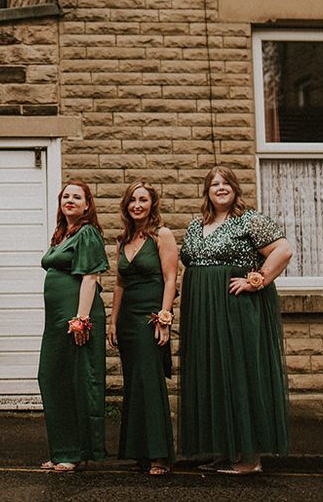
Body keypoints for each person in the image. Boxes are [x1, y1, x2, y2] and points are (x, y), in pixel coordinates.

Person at [178, 165, 293, 475]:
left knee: (240, 375)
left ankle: (249, 458)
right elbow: (189, 265)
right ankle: (224, 450)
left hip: (235, 310)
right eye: (214, 183)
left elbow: (283, 250)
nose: (220, 187)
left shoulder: (250, 220)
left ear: (234, 188)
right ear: (207, 191)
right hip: (203, 314)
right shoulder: (195, 224)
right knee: (213, 376)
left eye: (225, 182)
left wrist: (257, 279)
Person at [107, 181, 177, 476]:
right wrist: (113, 320)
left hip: (151, 317)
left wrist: (164, 317)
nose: (137, 205)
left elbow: (171, 278)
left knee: (150, 382)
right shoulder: (124, 240)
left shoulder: (162, 235)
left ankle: (160, 455)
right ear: (126, 205)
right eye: (133, 200)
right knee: (134, 383)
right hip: (127, 321)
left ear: (152, 204)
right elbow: (120, 283)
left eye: (143, 200)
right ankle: (139, 452)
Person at [38, 180, 108, 472]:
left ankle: (74, 452)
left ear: (87, 205)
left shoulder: (88, 233)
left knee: (75, 381)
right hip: (56, 320)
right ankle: (62, 450)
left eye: (76, 197)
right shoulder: (63, 234)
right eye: (65, 196)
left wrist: (81, 319)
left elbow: (90, 277)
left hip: (75, 318)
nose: (70, 200)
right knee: (52, 377)